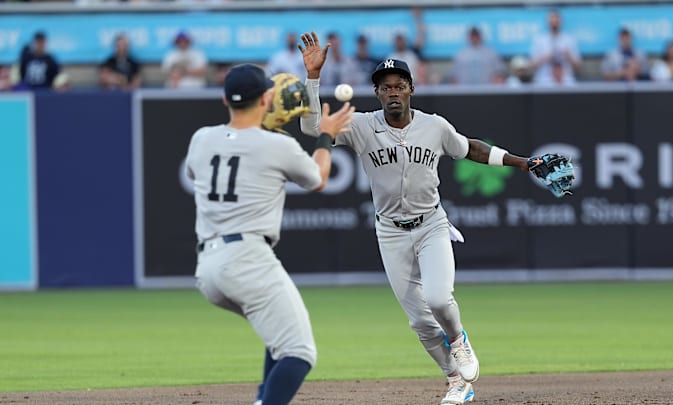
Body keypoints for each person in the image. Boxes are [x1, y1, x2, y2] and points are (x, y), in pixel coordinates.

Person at [299, 31, 535, 404]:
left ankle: (459, 339)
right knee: (421, 323)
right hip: (390, 233)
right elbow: (313, 128)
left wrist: (521, 162)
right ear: (377, 94)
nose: (392, 92)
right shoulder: (361, 126)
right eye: (385, 87)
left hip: (431, 225)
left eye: (399, 85)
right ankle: (457, 382)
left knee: (440, 300)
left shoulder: (434, 126)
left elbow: (468, 147)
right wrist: (312, 78)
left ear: (410, 89)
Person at [186, 63, 354, 405]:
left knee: (279, 336)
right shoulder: (277, 146)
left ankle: (264, 397)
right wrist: (326, 135)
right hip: (248, 258)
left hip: (208, 267)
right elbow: (318, 178)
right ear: (266, 98)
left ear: (224, 100)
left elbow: (198, 169)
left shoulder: (201, 139)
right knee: (299, 352)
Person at [530, 10, 581, 86]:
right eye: (552, 20)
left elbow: (578, 66)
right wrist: (546, 57)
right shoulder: (539, 40)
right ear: (548, 22)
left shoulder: (569, 39)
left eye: (556, 20)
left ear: (561, 21)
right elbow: (532, 65)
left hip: (566, 80)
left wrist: (567, 55)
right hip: (544, 80)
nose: (554, 22)